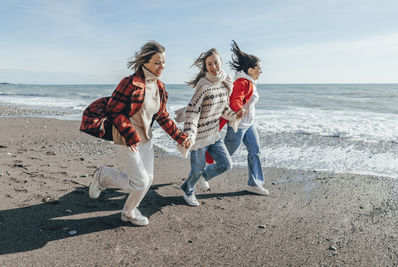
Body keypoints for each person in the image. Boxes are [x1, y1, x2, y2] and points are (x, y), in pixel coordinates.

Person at [86, 41, 190, 226]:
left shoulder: (159, 87)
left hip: (146, 138)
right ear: (145, 61)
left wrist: (180, 137)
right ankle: (103, 176)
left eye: (164, 62)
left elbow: (162, 116)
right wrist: (130, 134)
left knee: (148, 180)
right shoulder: (129, 82)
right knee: (140, 182)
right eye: (157, 62)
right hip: (127, 137)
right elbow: (114, 110)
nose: (161, 67)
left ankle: (128, 212)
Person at [177, 48, 246, 206]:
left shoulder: (224, 83)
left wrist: (235, 116)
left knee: (226, 165)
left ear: (221, 62)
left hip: (214, 135)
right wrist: (190, 133)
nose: (213, 66)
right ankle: (188, 191)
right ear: (206, 66)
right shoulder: (203, 85)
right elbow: (192, 109)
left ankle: (202, 177)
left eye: (215, 62)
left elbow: (223, 109)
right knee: (196, 170)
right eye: (209, 64)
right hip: (200, 136)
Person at [222, 40, 269, 195]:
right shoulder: (242, 82)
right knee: (224, 156)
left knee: (255, 151)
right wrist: (239, 108)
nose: (261, 72)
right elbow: (235, 99)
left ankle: (254, 183)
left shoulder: (250, 82)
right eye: (259, 69)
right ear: (249, 69)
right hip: (238, 125)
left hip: (249, 124)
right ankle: (201, 174)